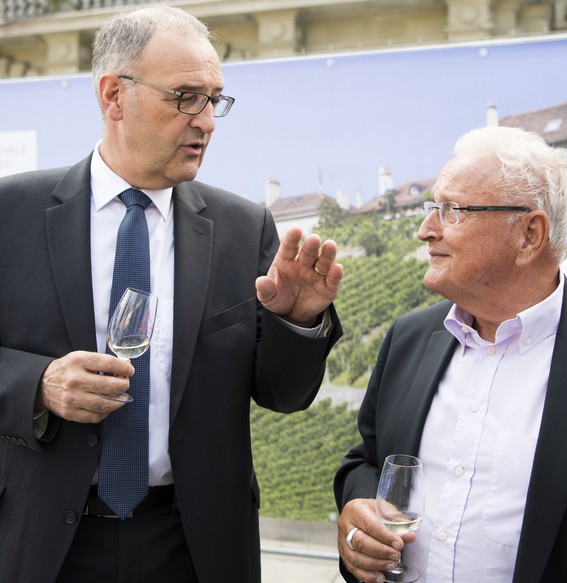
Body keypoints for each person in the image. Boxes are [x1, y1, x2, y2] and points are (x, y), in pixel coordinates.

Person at [0, 5, 343, 583]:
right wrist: (38, 385)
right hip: (43, 542)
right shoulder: (12, 215)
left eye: (215, 99)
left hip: (192, 547)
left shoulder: (243, 228)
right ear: (114, 97)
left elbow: (283, 395)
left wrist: (299, 321)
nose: (207, 121)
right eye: (186, 97)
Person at [334, 125, 567, 583]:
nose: (425, 230)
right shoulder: (409, 337)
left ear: (529, 234)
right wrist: (357, 510)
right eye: (432, 208)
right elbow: (366, 459)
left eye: (451, 211)